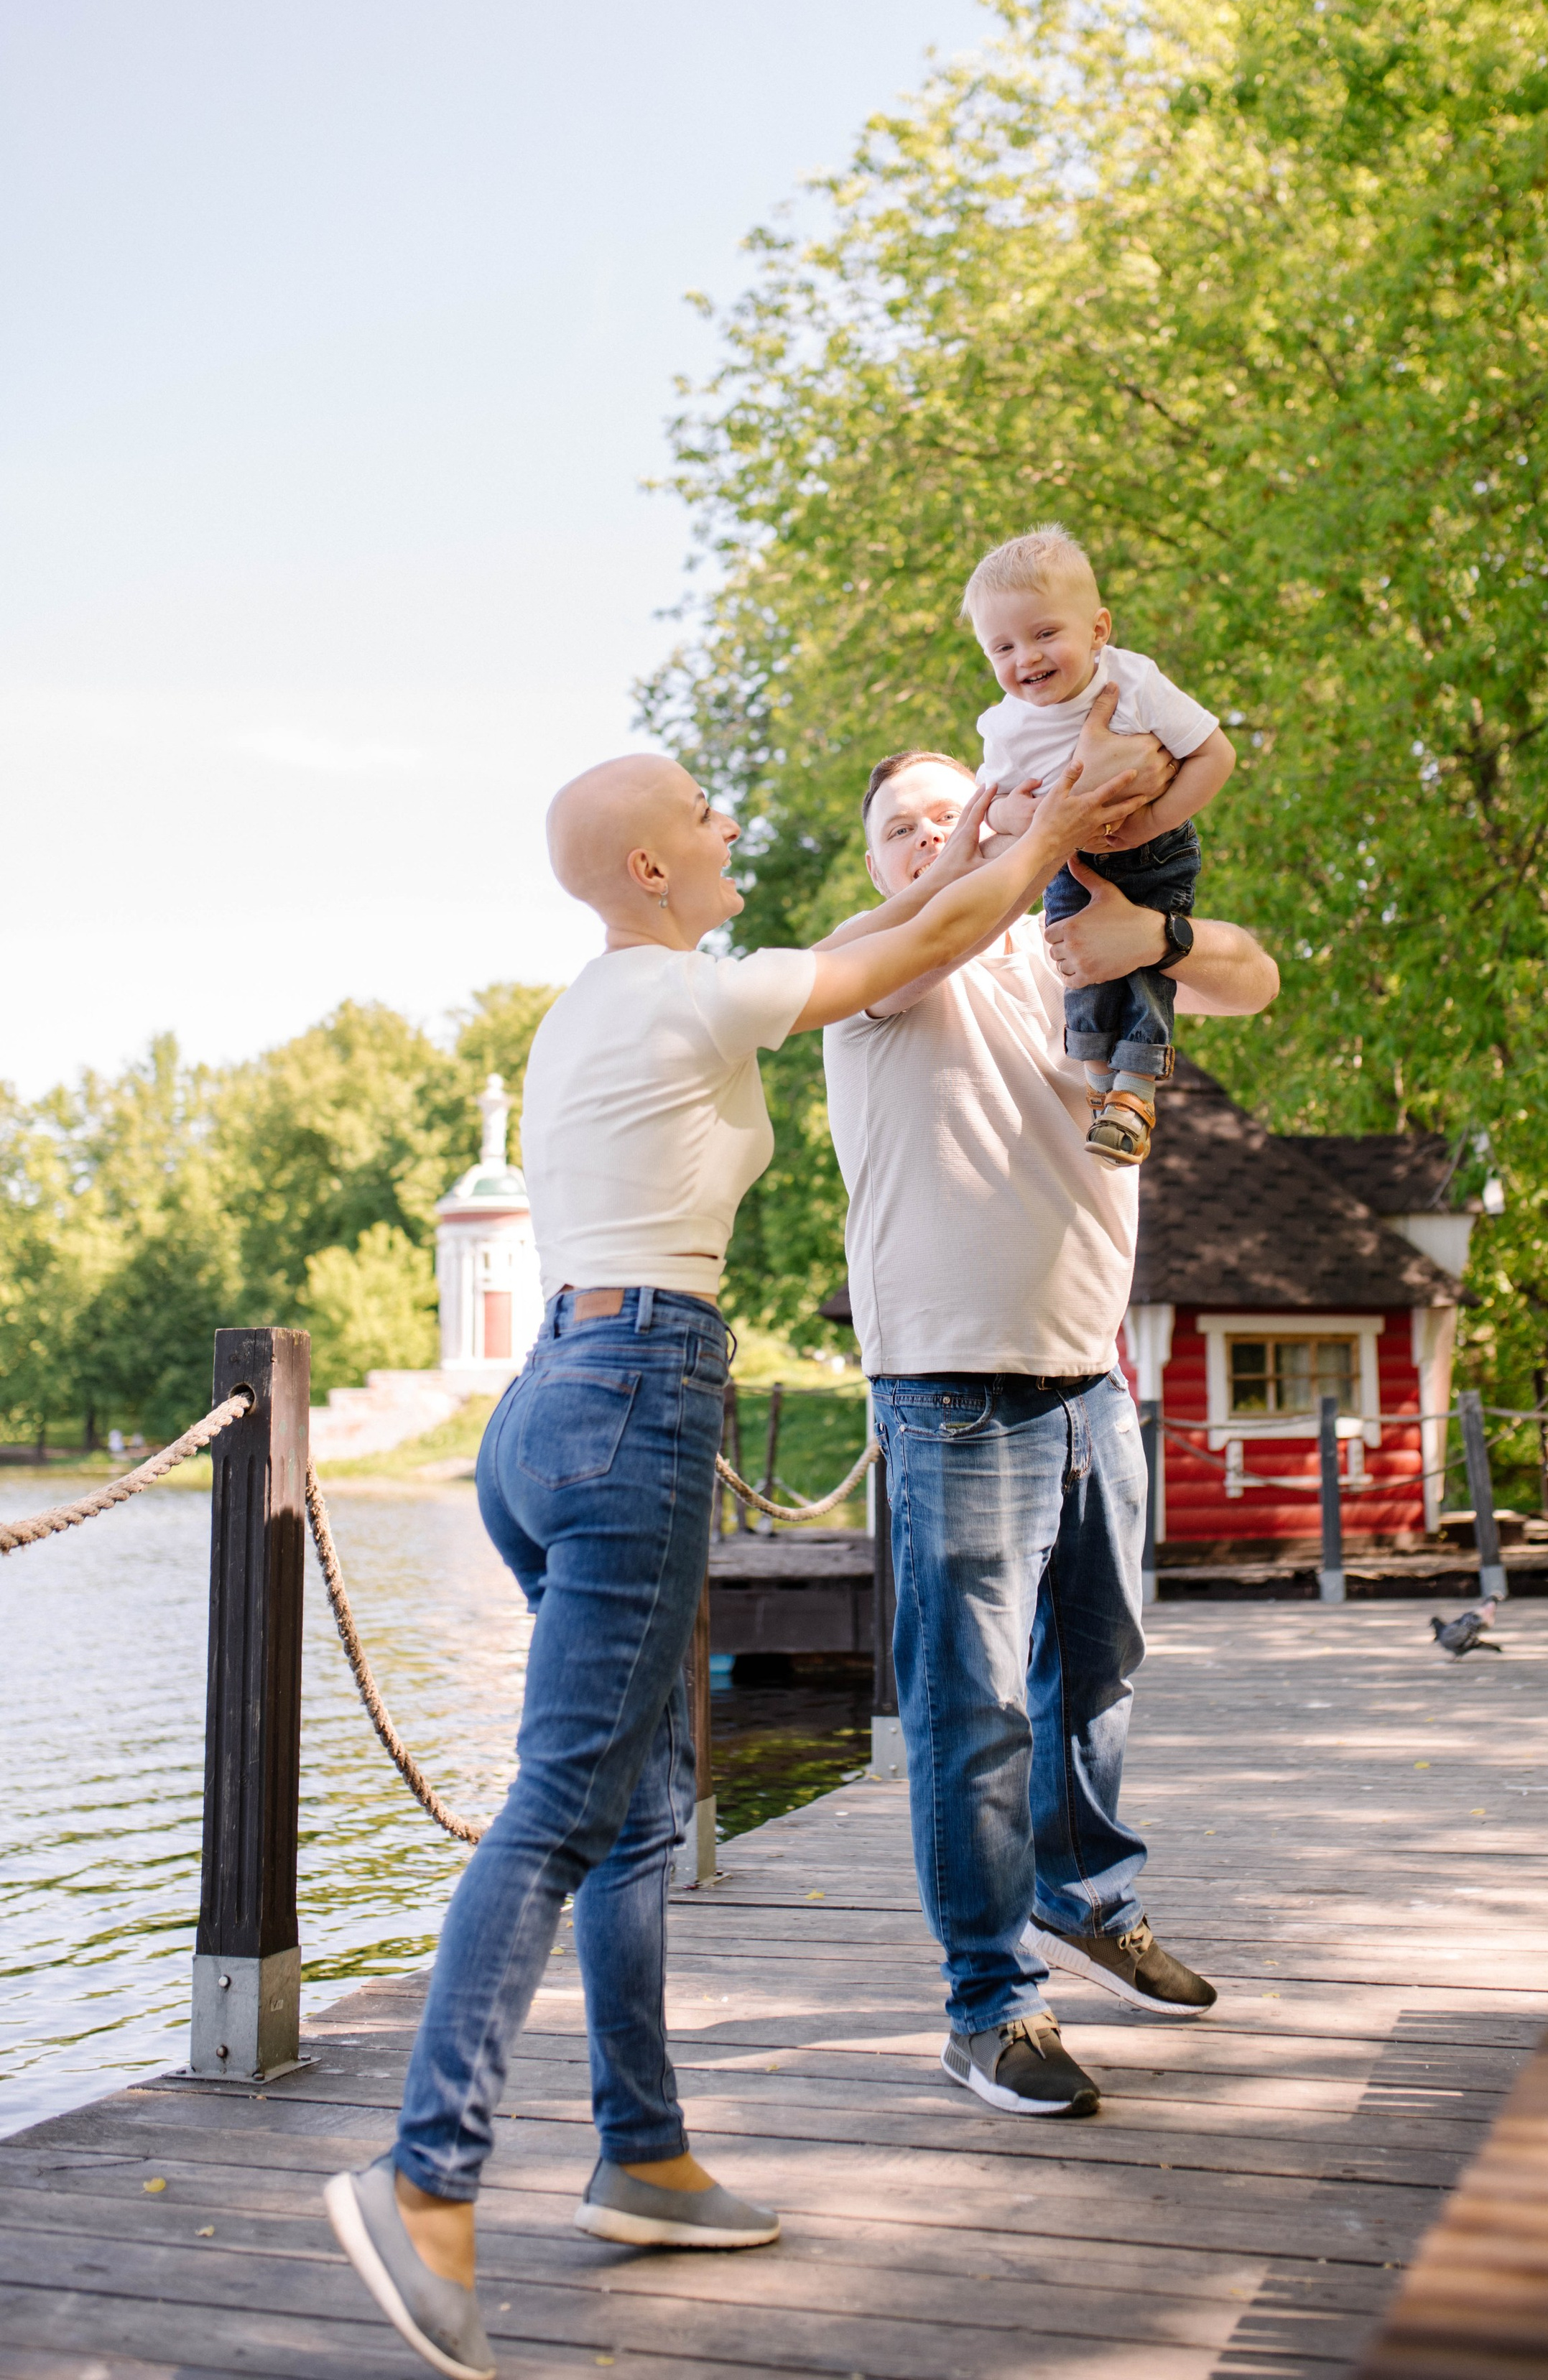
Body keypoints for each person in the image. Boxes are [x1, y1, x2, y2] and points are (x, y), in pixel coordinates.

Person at [323, 744, 1139, 2380]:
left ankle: (642, 2155)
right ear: (644, 868)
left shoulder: (595, 1005)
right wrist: (1044, 830)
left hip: (551, 1396)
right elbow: (910, 949)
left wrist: (988, 833)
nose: (726, 824)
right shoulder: (682, 992)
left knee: (636, 1816)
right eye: (700, 810)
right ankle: (425, 2177)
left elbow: (918, 913)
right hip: (632, 1403)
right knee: (567, 1805)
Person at [821, 736, 1279, 2121]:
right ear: (878, 859)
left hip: (1093, 1376)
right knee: (975, 1713)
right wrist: (996, 848)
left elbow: (1253, 978)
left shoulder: (1072, 958)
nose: (930, 837)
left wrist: (1160, 923)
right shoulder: (867, 963)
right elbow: (932, 914)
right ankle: (991, 2007)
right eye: (904, 824)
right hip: (952, 1388)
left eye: (954, 812)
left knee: (1102, 1667)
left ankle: (1089, 1897)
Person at [967, 524, 1234, 1167]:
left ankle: (1135, 1091)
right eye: (1001, 647)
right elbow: (988, 804)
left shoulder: (1133, 683)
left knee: (1145, 966)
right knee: (1080, 968)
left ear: (1098, 629)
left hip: (1156, 849)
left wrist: (1150, 822)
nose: (1025, 658)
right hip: (1073, 862)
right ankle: (1099, 1090)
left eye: (1044, 633)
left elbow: (1214, 755)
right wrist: (1016, 809)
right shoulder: (1004, 724)